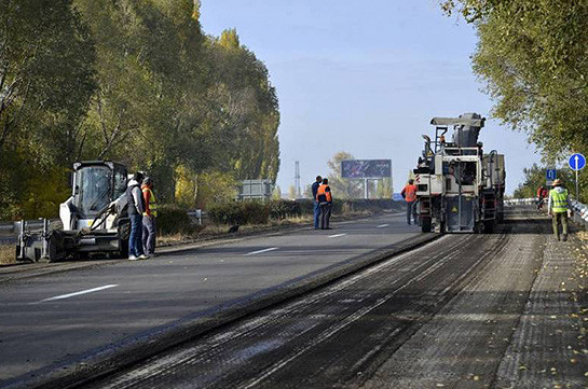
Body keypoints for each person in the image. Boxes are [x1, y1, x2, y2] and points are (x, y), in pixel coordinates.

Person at [126, 172, 147, 260]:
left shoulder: (129, 187)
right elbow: (137, 201)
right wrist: (141, 211)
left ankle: (139, 252)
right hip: (135, 212)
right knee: (135, 232)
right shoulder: (136, 188)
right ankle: (132, 253)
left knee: (138, 232)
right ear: (139, 179)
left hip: (132, 212)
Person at [141, 177, 157, 256]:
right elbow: (146, 203)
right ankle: (149, 250)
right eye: (151, 182)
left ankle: (144, 250)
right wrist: (148, 213)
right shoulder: (146, 191)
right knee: (151, 232)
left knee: (145, 233)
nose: (152, 184)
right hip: (148, 215)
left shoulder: (145, 190)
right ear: (149, 183)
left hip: (146, 215)